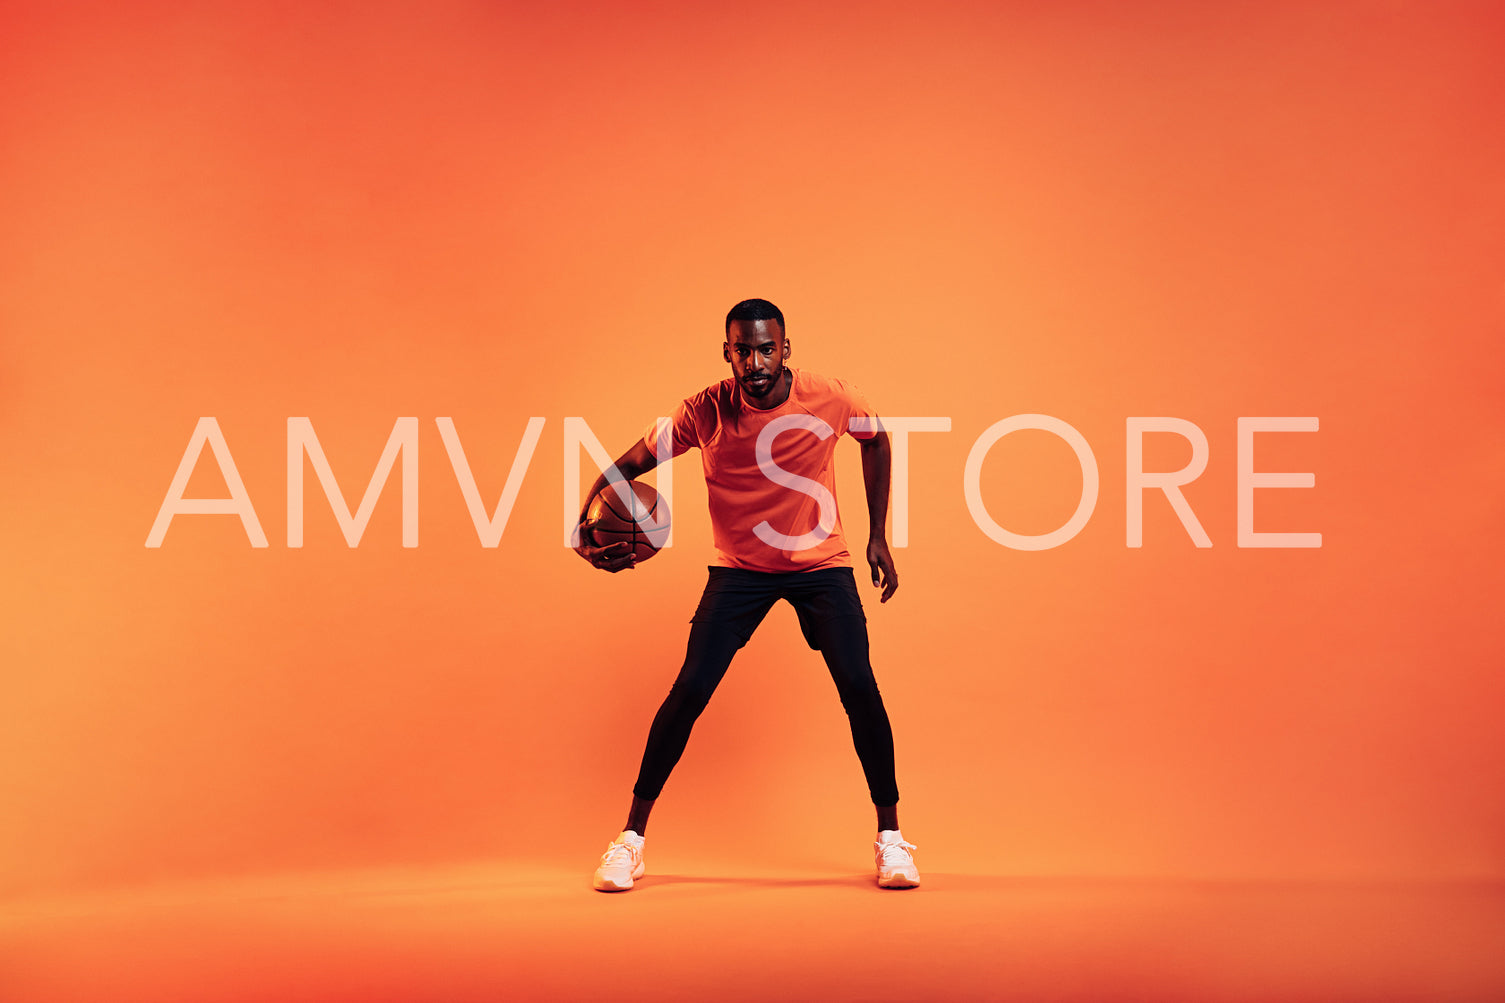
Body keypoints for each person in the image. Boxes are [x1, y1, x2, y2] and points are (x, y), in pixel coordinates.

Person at [572, 298, 919, 891]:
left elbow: (878, 440)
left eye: (766, 348)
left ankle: (892, 840)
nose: (754, 361)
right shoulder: (703, 411)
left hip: (821, 565)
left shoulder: (832, 397)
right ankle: (629, 841)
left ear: (785, 349)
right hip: (740, 570)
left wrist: (879, 535)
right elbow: (625, 465)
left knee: (859, 686)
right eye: (742, 350)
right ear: (728, 352)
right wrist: (585, 528)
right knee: (689, 692)